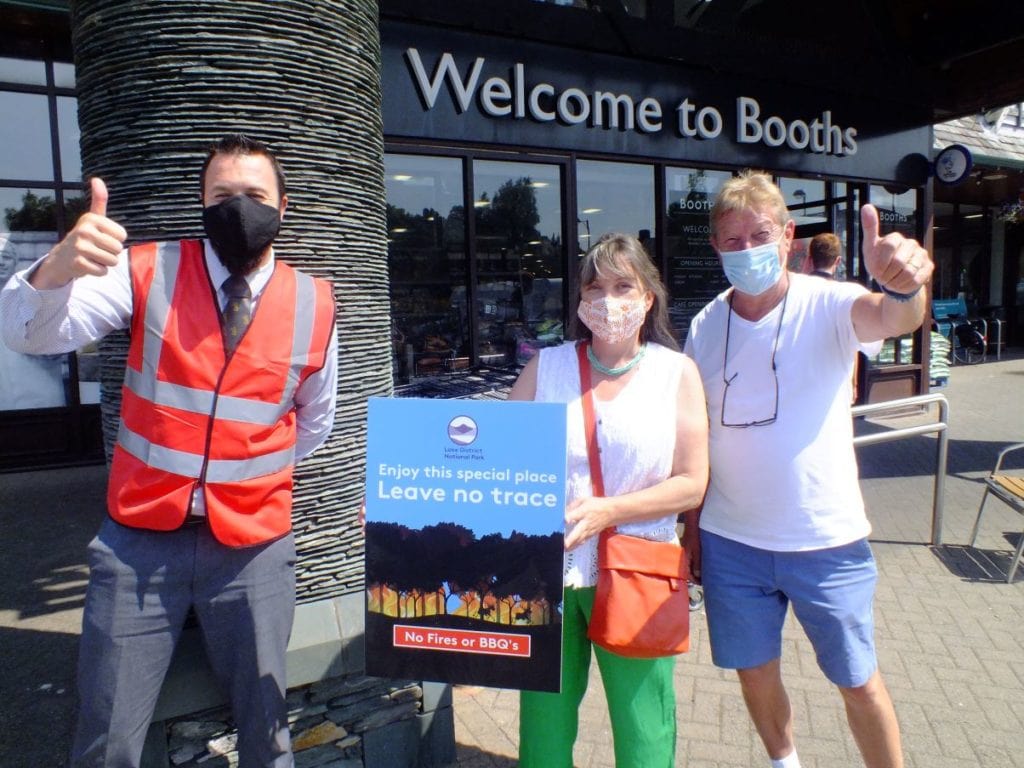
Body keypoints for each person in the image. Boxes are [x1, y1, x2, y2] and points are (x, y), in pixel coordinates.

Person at [0, 134, 338, 767]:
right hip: (138, 547)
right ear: (202, 202)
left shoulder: (314, 303)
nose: (238, 208)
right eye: (222, 195)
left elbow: (315, 420)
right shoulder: (145, 271)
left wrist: (243, 479)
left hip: (252, 552)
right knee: (107, 740)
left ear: (283, 207)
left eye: (255, 195)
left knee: (268, 737)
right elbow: (24, 334)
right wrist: (54, 271)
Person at [683, 170, 932, 768]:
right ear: (715, 247)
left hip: (825, 539)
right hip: (731, 542)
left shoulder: (831, 302)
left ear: (789, 235)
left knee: (858, 679)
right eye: (732, 240)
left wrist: (903, 287)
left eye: (759, 235)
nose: (746, 250)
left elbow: (896, 319)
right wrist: (691, 532)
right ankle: (784, 761)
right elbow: (695, 436)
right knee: (752, 671)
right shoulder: (704, 324)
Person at [507, 232, 709, 768]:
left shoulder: (676, 374)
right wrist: (404, 512)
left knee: (644, 727)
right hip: (545, 574)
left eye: (623, 286)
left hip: (638, 570)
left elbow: (692, 482)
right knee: (542, 730)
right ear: (579, 300)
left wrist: (610, 511)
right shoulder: (543, 370)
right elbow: (492, 464)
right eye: (595, 287)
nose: (608, 300)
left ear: (648, 297)